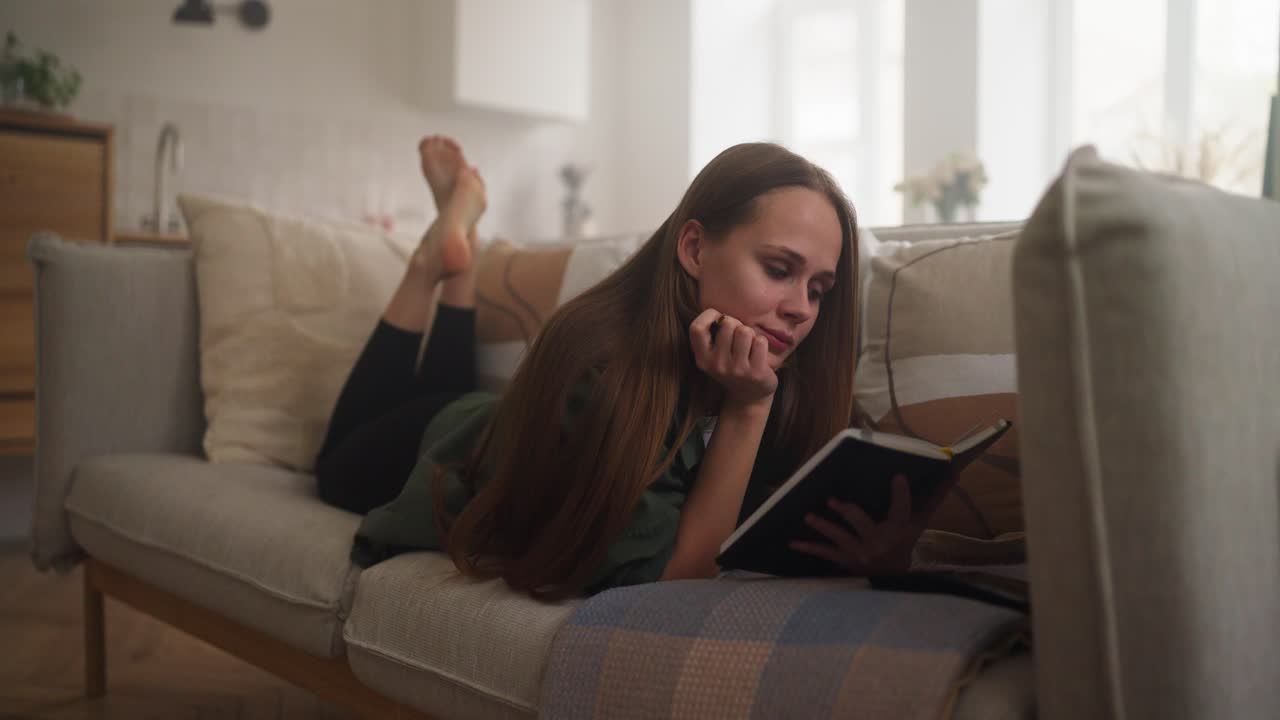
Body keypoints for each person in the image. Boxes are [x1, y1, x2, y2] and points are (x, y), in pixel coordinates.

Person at [315, 136, 940, 601]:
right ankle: (434, 264)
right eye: (779, 270)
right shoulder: (597, 367)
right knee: (335, 462)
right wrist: (747, 408)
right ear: (694, 249)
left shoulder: (794, 386)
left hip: (494, 420)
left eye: (820, 288)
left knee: (452, 384)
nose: (800, 309)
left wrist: (881, 556)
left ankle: (458, 257)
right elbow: (681, 579)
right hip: (446, 443)